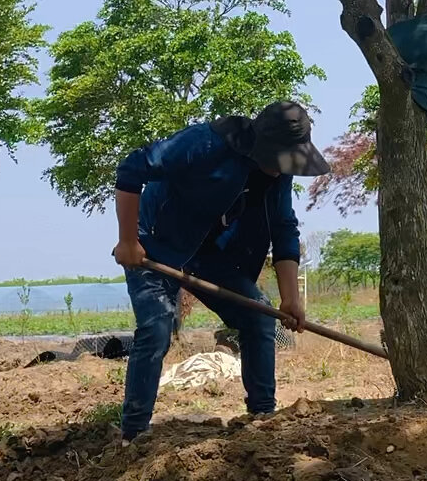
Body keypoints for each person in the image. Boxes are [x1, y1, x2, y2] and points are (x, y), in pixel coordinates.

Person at [113, 100, 328, 441]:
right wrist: (128, 242)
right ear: (262, 145)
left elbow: (284, 227)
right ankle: (134, 433)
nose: (282, 166)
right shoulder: (204, 144)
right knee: (156, 329)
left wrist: (290, 298)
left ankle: (262, 419)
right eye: (279, 157)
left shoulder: (279, 172)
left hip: (207, 253)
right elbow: (131, 169)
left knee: (259, 316)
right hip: (154, 243)